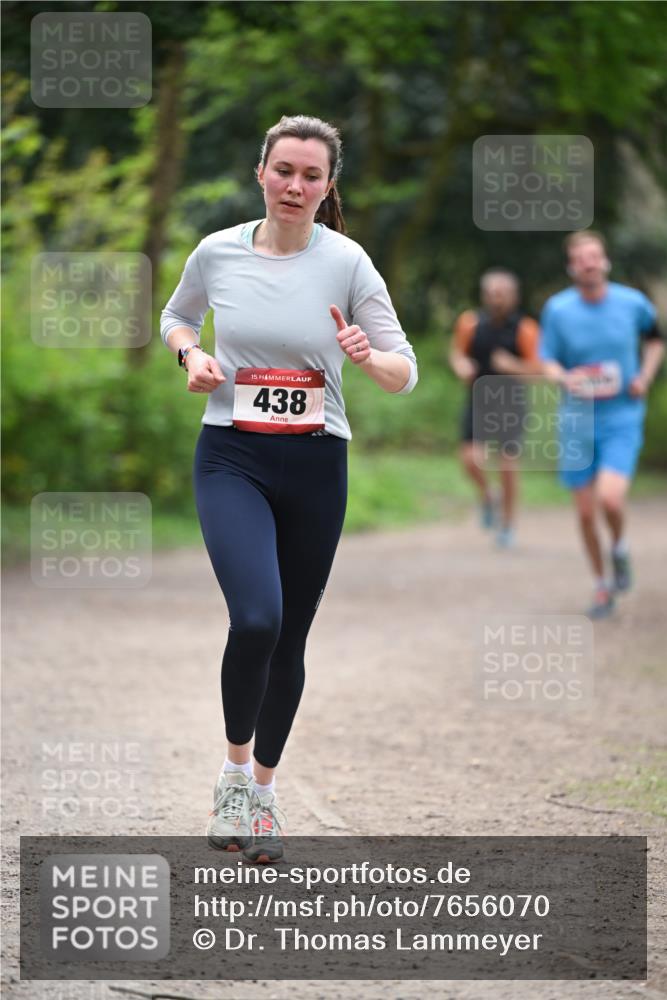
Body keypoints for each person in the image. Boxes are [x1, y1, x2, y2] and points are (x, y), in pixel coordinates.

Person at [160, 114, 418, 862]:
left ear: (327, 185)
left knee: (292, 635)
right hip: (230, 457)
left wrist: (367, 358)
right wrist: (190, 355)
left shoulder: (346, 263)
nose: (295, 186)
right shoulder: (217, 253)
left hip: (314, 462)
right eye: (284, 171)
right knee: (256, 619)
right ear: (261, 173)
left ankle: (264, 796)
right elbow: (177, 316)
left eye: (311, 176)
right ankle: (233, 775)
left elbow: (404, 373)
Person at [539, 230, 664, 618]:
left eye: (595, 256)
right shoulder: (558, 310)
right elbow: (547, 359)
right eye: (582, 258)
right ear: (572, 267)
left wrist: (644, 375)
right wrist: (563, 378)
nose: (589, 263)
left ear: (605, 261)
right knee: (584, 512)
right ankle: (601, 584)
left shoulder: (632, 303)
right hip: (576, 417)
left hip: (622, 414)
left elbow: (656, 340)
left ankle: (620, 548)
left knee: (610, 498)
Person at [449, 269, 540, 547]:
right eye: (490, 293)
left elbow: (539, 371)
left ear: (513, 297)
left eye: (501, 294)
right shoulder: (470, 323)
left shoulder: (526, 329)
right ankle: (489, 496)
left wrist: (513, 366)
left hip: (511, 402)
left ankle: (508, 526)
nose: (495, 299)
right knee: (469, 459)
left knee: (508, 466)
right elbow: (456, 352)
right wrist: (461, 365)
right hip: (478, 399)